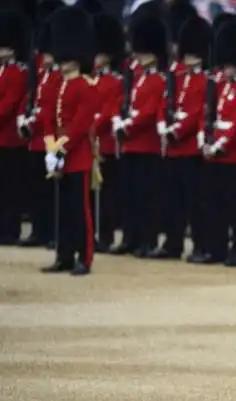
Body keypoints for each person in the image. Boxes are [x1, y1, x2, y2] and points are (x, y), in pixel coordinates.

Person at [40, 5, 99, 276]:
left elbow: (81, 123)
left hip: (78, 155)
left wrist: (61, 147)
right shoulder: (55, 84)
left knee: (80, 211)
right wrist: (50, 146)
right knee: (61, 210)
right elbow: (46, 115)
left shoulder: (86, 87)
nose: (63, 61)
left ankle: (84, 258)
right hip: (58, 153)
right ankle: (63, 255)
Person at [197, 17, 236, 266]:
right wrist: (203, 140)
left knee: (235, 207)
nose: (226, 69)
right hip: (213, 154)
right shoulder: (217, 87)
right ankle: (216, 248)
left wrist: (219, 146)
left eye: (231, 64)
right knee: (214, 205)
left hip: (233, 155)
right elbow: (206, 115)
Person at [154, 15, 212, 261]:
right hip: (173, 148)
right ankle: (172, 243)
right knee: (171, 200)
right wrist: (162, 127)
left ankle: (201, 245)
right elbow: (164, 104)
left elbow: (199, 112)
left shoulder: (205, 80)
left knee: (196, 202)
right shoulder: (177, 77)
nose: (187, 59)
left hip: (190, 148)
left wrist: (177, 130)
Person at [111, 16, 167, 258]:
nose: (140, 57)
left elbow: (149, 112)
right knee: (128, 195)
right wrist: (117, 119)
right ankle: (130, 237)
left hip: (147, 145)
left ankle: (146, 239)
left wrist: (127, 125)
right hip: (129, 144)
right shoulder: (135, 77)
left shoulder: (158, 80)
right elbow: (121, 101)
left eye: (145, 53)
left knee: (146, 197)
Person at [17, 0, 65, 249]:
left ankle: (52, 231)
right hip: (36, 138)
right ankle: (39, 229)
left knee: (51, 191)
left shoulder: (59, 75)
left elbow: (54, 106)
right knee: (36, 187)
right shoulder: (43, 73)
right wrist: (24, 117)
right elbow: (31, 95)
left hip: (52, 137)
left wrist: (35, 118)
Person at [91, 13, 126, 253]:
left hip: (104, 144)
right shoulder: (87, 79)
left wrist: (89, 125)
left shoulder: (115, 81)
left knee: (108, 195)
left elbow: (109, 111)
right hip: (86, 145)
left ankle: (105, 236)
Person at [0, 8, 30, 246]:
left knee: (9, 187)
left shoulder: (17, 72)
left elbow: (10, 103)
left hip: (9, 138)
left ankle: (10, 230)